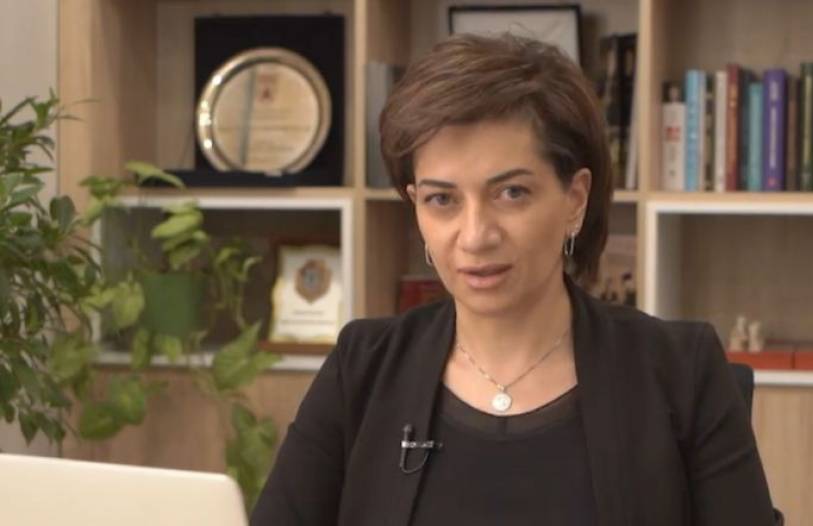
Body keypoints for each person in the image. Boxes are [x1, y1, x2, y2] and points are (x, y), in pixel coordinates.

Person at [251, 33, 779, 525]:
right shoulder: (363, 368)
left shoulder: (681, 372)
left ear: (574, 199)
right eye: (442, 200)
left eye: (511, 193)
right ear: (416, 208)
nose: (475, 235)